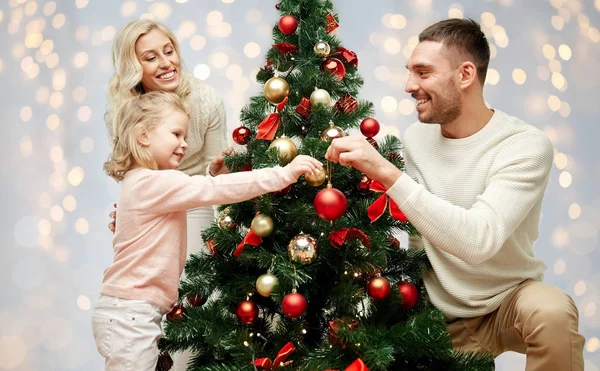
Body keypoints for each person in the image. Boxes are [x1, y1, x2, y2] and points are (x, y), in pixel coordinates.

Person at [326, 18, 584, 371]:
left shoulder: (524, 145)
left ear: (465, 75)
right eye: (409, 72)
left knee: (552, 311)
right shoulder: (415, 140)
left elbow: (478, 241)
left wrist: (385, 171)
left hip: (504, 303)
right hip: (433, 315)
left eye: (423, 73)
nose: (408, 85)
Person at [92, 91, 322, 370]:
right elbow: (213, 191)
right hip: (131, 314)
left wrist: (209, 176)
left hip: (128, 312)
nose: (184, 144)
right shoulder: (153, 183)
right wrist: (284, 174)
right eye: (175, 134)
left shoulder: (140, 183)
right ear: (143, 136)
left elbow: (193, 192)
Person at [104, 20, 228, 369]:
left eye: (169, 51)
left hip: (198, 199)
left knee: (197, 299)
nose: (166, 63)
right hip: (155, 206)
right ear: (133, 68)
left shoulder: (205, 100)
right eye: (151, 57)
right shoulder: (121, 112)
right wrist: (127, 215)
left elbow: (217, 173)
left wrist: (226, 226)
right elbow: (132, 177)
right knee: (151, 300)